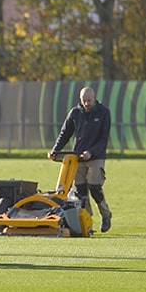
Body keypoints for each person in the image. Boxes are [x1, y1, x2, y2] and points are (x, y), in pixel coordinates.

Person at [48, 86, 113, 232]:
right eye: (84, 101)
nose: (87, 103)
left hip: (96, 157)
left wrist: (91, 152)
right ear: (80, 99)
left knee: (95, 187)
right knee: (81, 191)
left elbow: (104, 139)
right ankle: (87, 221)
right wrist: (55, 150)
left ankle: (106, 214)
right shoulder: (75, 113)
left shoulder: (104, 113)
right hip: (78, 157)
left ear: (95, 98)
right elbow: (65, 133)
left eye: (89, 100)